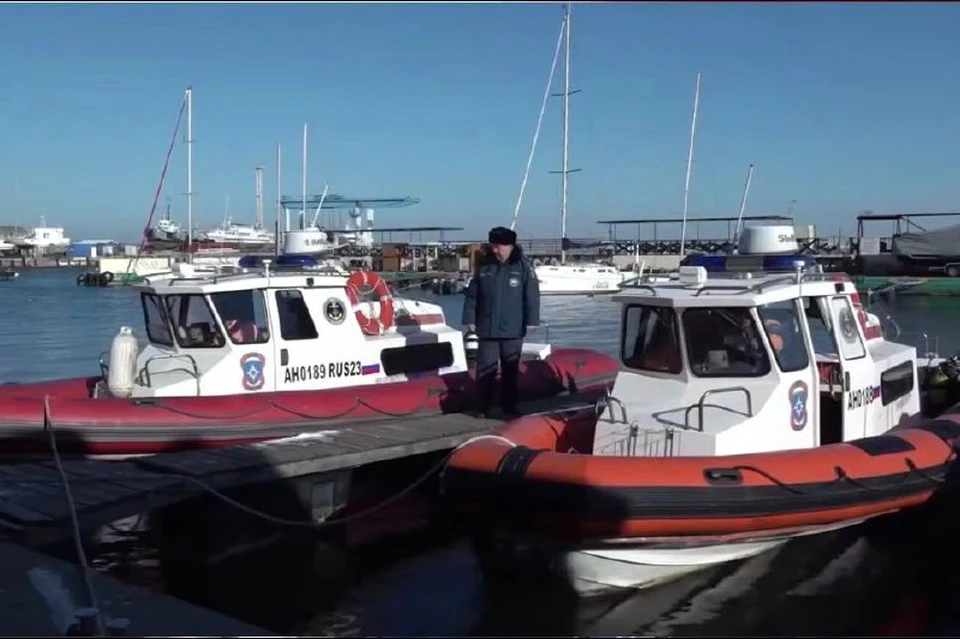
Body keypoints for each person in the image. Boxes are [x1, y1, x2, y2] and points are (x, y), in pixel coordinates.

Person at [462, 226, 541, 418]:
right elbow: (472, 296)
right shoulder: (484, 267)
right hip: (487, 329)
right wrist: (469, 319)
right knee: (485, 370)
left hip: (512, 329)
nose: (495, 250)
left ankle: (509, 406)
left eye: (498, 247)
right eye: (493, 247)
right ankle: (485, 407)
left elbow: (531, 296)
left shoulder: (523, 268)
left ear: (510, 246)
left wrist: (532, 321)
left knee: (510, 371)